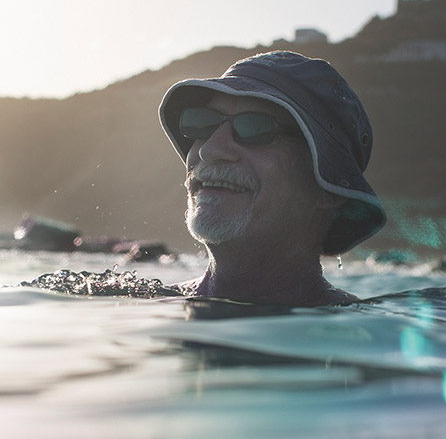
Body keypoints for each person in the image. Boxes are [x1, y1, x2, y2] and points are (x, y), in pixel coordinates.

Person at [158, 51, 387, 306]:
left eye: (255, 128)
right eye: (202, 123)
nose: (209, 150)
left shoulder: (352, 339)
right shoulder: (134, 302)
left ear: (329, 189)